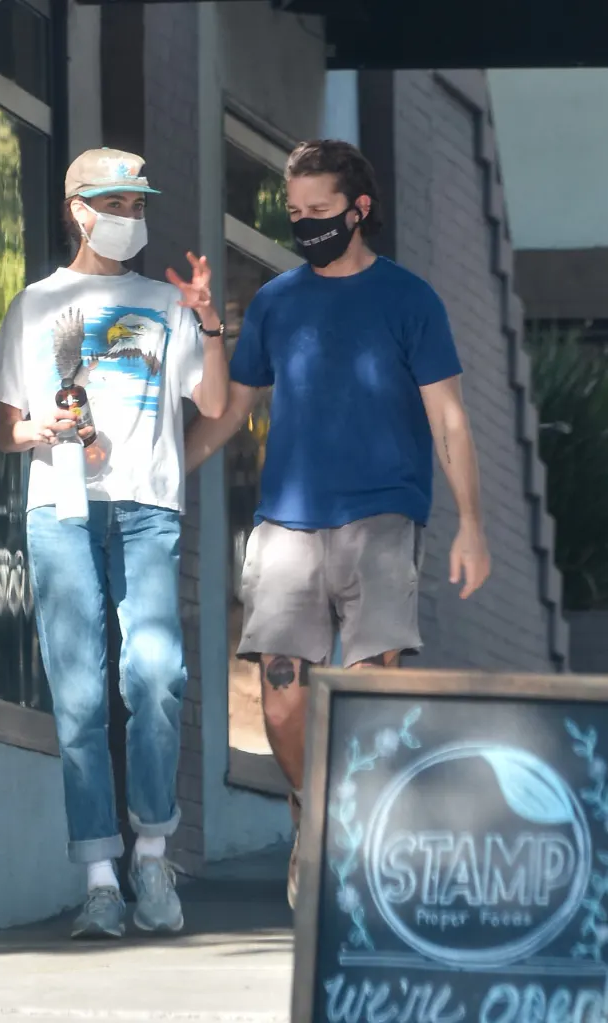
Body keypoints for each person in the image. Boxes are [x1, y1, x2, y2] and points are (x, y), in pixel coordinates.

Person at [185, 139, 491, 910]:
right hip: (286, 523)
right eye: (294, 213)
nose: (304, 224)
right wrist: (167, 468)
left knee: (367, 697)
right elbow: (234, 411)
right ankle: (311, 811)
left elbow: (448, 419)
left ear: (357, 210)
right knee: (282, 699)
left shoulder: (408, 300)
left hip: (382, 520)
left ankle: (349, 835)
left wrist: (471, 525)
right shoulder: (276, 303)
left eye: (318, 212)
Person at [0, 148, 229, 938]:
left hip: (147, 508)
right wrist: (38, 426)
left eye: (137, 205)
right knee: (79, 694)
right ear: (77, 209)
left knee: (154, 674)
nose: (129, 219)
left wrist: (210, 320)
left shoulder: (166, 301)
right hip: (61, 507)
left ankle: (151, 849)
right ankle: (97, 876)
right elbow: (4, 429)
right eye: (115, 204)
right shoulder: (35, 304)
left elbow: (214, 401)